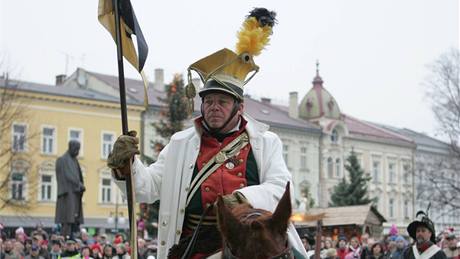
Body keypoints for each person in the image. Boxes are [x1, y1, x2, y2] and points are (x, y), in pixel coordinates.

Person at [108, 7, 307, 259]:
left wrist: (241, 197)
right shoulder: (180, 144)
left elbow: (281, 189)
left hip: (253, 240)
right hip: (196, 244)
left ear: (239, 107)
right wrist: (126, 167)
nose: (213, 107)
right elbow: (147, 188)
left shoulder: (266, 143)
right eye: (209, 100)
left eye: (222, 102)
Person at [55, 140, 85, 238]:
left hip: (75, 193)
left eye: (78, 150)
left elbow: (77, 176)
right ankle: (65, 237)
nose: (77, 152)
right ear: (71, 148)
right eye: (76, 149)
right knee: (68, 218)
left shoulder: (75, 161)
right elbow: (66, 176)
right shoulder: (62, 160)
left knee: (74, 219)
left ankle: (72, 235)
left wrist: (80, 185)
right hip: (68, 194)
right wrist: (78, 184)